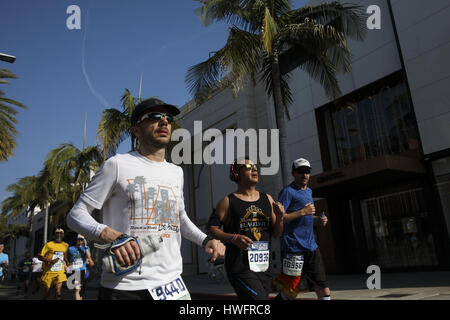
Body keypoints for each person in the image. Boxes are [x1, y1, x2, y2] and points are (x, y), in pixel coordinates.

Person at [67, 97, 225, 300]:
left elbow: (179, 218)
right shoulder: (117, 165)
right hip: (125, 286)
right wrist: (111, 235)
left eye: (167, 117)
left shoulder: (176, 172)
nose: (164, 121)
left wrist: (206, 241)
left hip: (172, 284)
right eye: (154, 116)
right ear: (136, 129)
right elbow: (75, 215)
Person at [207, 158, 284, 300]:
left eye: (255, 166)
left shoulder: (268, 199)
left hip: (262, 267)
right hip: (239, 267)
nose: (254, 169)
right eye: (248, 166)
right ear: (237, 173)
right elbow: (211, 229)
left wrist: (280, 218)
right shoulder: (228, 201)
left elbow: (276, 233)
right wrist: (234, 238)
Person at [273, 158, 330, 300]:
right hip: (293, 248)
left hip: (311, 247)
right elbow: (279, 218)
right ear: (293, 173)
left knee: (323, 288)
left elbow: (307, 217)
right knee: (290, 292)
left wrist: (319, 219)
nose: (304, 175)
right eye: (300, 171)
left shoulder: (309, 191)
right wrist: (302, 212)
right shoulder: (287, 192)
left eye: (307, 171)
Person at [38, 228, 69, 300]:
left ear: (63, 235)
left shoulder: (66, 245)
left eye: (61, 233)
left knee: (58, 292)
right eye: (57, 233)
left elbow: (65, 256)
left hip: (59, 271)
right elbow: (40, 256)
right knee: (47, 293)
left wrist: (68, 263)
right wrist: (50, 261)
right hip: (49, 271)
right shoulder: (48, 245)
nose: (59, 235)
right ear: (54, 235)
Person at [67, 234, 94, 300]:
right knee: (77, 289)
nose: (80, 241)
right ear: (76, 240)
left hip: (83, 271)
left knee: (81, 290)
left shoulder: (86, 248)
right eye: (78, 239)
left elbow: (89, 257)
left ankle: (79, 297)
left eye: (81, 239)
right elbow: (67, 259)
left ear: (84, 240)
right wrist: (67, 268)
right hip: (74, 271)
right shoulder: (70, 249)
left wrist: (85, 246)